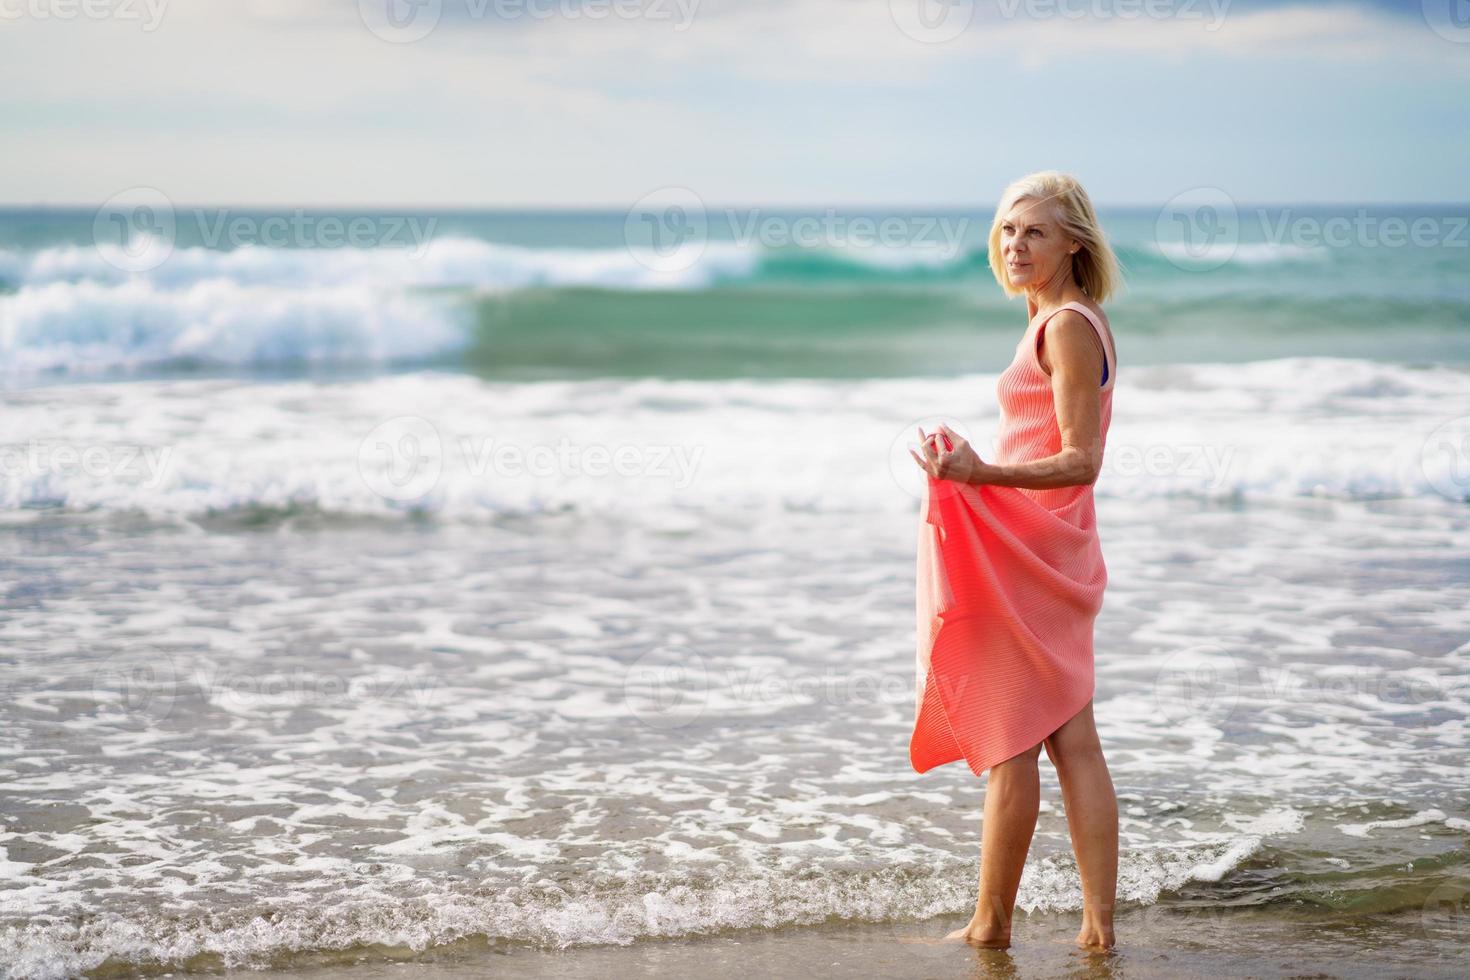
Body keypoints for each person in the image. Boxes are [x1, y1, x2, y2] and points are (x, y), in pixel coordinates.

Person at [908, 170, 1122, 953]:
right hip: (1048, 545)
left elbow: (1080, 459)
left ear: (1074, 242)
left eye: (1035, 230)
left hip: (1032, 551)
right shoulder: (1070, 319)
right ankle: (1096, 931)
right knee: (1069, 738)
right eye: (1006, 230)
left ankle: (991, 925)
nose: (1016, 244)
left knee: (1014, 745)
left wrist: (978, 474)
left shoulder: (1064, 325)